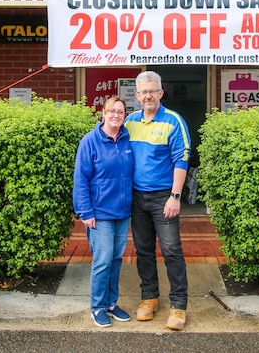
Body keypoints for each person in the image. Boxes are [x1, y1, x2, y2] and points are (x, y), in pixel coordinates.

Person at [124, 70, 191, 331]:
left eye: (153, 90)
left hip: (164, 197)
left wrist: (175, 196)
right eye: (144, 92)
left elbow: (181, 159)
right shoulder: (129, 121)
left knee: (172, 251)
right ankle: (149, 298)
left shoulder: (174, 121)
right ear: (138, 95)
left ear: (161, 93)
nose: (148, 95)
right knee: (143, 251)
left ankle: (178, 305)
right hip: (136, 198)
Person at [73, 96, 135, 328]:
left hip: (123, 212)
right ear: (103, 113)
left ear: (124, 115)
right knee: (102, 260)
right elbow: (81, 179)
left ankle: (111, 303)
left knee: (116, 259)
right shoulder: (90, 141)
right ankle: (97, 307)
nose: (116, 115)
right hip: (99, 213)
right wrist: (85, 211)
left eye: (120, 112)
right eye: (112, 111)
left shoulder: (127, 139)